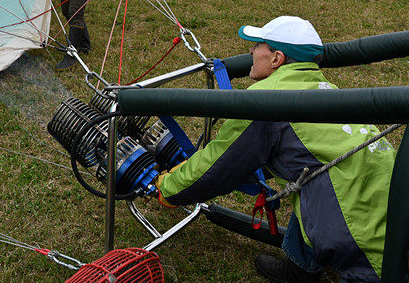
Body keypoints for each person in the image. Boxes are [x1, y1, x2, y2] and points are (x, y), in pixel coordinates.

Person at [155, 16, 396, 282]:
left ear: (276, 59)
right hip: (393, 200)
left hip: (368, 242)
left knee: (370, 265)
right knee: (311, 179)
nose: (250, 51)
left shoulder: (266, 102)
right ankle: (300, 269)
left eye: (257, 46)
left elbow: (217, 166)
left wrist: (168, 188)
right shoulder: (326, 89)